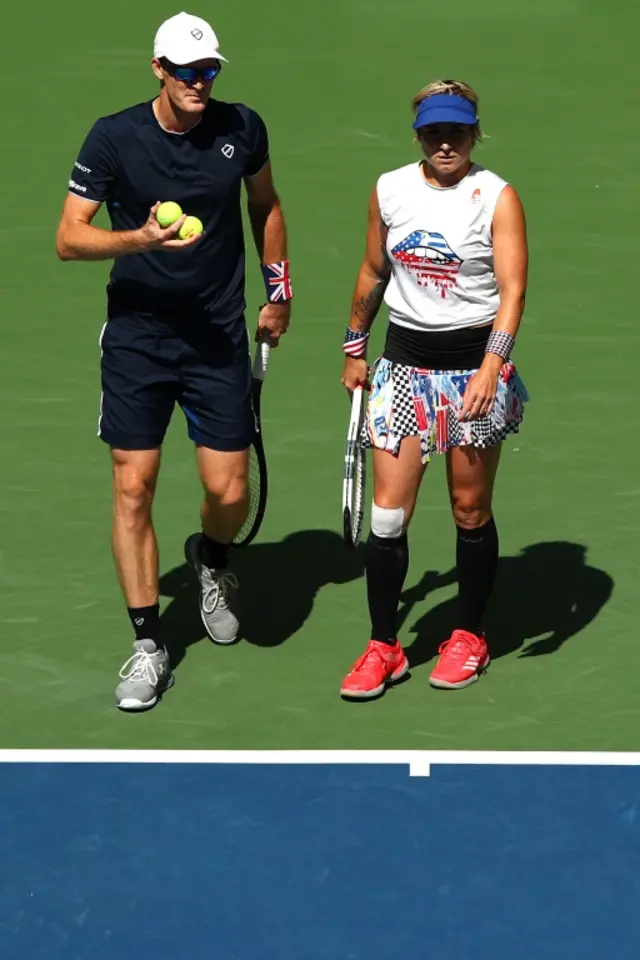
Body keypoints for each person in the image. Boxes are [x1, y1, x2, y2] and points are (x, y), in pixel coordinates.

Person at [55, 12, 292, 711]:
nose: (199, 82)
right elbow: (69, 238)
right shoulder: (114, 137)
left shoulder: (242, 128)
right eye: (187, 71)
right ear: (158, 68)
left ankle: (212, 561)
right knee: (135, 486)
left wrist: (279, 291)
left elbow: (266, 205)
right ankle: (148, 645)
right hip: (138, 339)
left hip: (217, 335)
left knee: (229, 493)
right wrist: (141, 241)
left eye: (209, 70)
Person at [339, 79, 528, 699]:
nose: (445, 142)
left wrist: (491, 367)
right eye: (433, 132)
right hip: (403, 367)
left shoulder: (495, 197)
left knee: (470, 509)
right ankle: (383, 646)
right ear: (418, 135)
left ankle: (468, 635)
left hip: (474, 368)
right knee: (388, 518)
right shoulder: (390, 190)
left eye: (458, 132)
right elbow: (373, 270)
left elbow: (512, 291)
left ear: (476, 133)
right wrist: (355, 347)